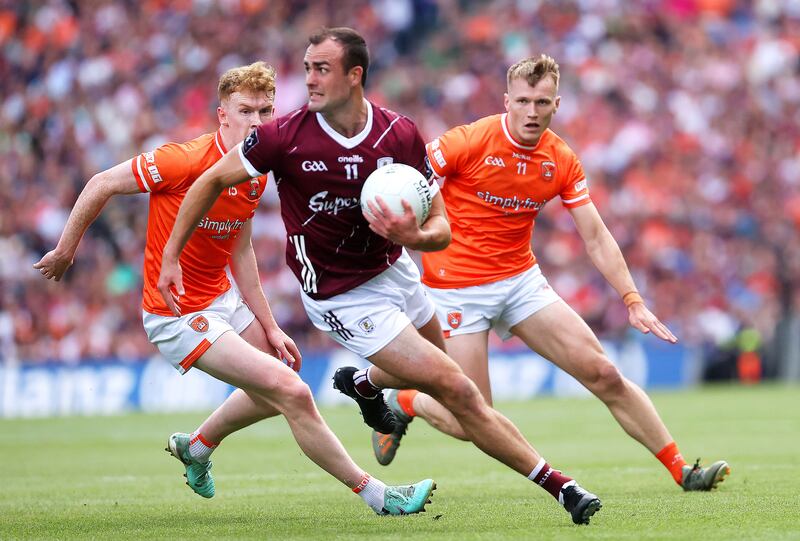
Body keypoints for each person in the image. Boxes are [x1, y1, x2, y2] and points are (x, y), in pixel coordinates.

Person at [159, 27, 602, 526]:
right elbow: (211, 179)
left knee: (456, 397)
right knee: (457, 387)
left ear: (355, 75)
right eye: (306, 69)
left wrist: (414, 235)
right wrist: (172, 255)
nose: (309, 80)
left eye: (321, 69)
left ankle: (365, 385)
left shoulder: (399, 134)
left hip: (396, 271)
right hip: (341, 295)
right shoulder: (283, 136)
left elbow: (441, 229)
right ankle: (562, 488)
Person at [33, 61, 435, 516]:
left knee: (281, 381)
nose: (257, 122)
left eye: (265, 112)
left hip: (222, 300)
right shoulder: (182, 160)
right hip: (177, 314)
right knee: (293, 392)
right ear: (222, 114)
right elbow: (102, 182)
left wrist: (270, 325)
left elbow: (240, 252)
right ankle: (378, 496)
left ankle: (197, 447)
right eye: (246, 111)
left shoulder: (253, 171)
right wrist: (65, 250)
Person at [370, 54, 731, 493]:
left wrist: (632, 299)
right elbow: (405, 181)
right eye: (523, 101)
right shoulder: (467, 141)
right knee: (472, 420)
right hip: (455, 290)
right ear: (507, 101)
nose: (532, 111)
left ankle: (683, 471)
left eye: (542, 102)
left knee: (604, 373)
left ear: (556, 105)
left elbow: (595, 235)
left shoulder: (560, 158)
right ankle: (407, 401)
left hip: (520, 281)